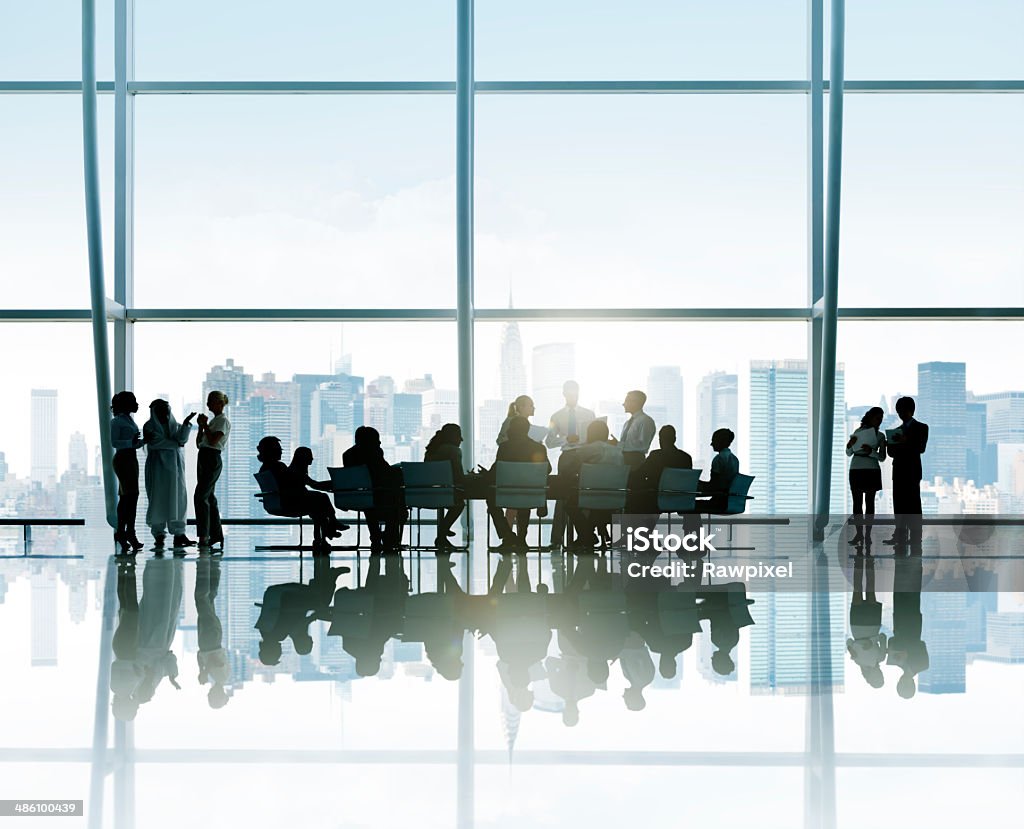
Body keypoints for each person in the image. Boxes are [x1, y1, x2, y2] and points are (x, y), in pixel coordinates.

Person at [256, 437, 347, 553]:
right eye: (278, 449)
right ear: (271, 451)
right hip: (289, 503)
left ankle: (325, 535)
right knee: (321, 499)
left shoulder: (266, 468)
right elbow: (296, 484)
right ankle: (328, 530)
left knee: (318, 506)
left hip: (281, 502)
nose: (281, 451)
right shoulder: (278, 467)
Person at [480, 416, 551, 551]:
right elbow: (548, 469)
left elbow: (496, 472)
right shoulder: (538, 447)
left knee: (491, 497)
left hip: (507, 495)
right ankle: (521, 538)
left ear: (511, 429)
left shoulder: (505, 447)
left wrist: (485, 474)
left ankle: (507, 535)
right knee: (525, 496)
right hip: (532, 494)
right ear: (527, 430)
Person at [545, 381, 596, 549]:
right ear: (564, 394)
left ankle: (585, 535)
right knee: (562, 495)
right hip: (567, 456)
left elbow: (595, 437)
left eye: (576, 392)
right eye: (570, 393)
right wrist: (566, 439)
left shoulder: (589, 414)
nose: (573, 396)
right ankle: (557, 539)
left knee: (585, 493)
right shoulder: (556, 416)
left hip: (585, 456)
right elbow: (550, 442)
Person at [560, 420, 624, 552]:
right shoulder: (618, 451)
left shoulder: (586, 450)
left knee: (570, 504)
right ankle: (586, 535)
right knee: (597, 507)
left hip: (590, 495)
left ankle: (587, 535)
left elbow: (570, 470)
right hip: (615, 497)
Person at [143, 399, 196, 549]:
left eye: (166, 409)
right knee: (158, 500)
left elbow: (182, 439)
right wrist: (176, 444)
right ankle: (158, 534)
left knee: (178, 499)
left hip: (176, 469)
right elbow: (157, 443)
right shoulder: (149, 426)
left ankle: (179, 533)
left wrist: (185, 424)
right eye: (161, 410)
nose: (164, 413)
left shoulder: (175, 425)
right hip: (157, 468)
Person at [342, 426, 404, 552]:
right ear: (370, 441)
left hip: (359, 496)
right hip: (379, 495)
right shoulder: (374, 452)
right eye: (377, 439)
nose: (379, 442)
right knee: (395, 501)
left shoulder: (347, 455)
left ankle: (376, 538)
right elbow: (382, 471)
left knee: (369, 503)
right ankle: (389, 537)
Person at [884, 397, 928, 546]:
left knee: (913, 504)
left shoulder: (922, 427)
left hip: (912, 471)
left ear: (911, 410)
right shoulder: (896, 431)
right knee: (899, 504)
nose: (900, 414)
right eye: (898, 412)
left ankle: (916, 536)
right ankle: (900, 535)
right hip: (898, 471)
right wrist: (889, 444)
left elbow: (921, 447)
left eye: (902, 411)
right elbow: (891, 453)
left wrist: (905, 441)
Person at [626, 424, 693, 515]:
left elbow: (640, 474)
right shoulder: (686, 458)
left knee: (632, 497)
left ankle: (638, 527)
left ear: (660, 440)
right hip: (680, 500)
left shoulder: (656, 456)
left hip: (656, 499)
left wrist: (626, 474)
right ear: (674, 439)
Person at [194, 390, 230, 551]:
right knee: (209, 497)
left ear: (220, 404)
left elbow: (214, 441)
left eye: (211, 401)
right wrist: (202, 426)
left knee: (200, 496)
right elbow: (199, 442)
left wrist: (205, 426)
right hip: (203, 456)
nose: (208, 404)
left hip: (212, 458)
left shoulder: (222, 421)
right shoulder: (214, 421)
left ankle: (204, 535)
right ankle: (216, 535)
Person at [110, 391, 145, 554]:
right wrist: (131, 442)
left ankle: (124, 533)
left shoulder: (128, 419)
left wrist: (142, 441)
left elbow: (133, 444)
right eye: (133, 401)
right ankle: (125, 533)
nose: (137, 404)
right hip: (123, 460)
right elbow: (114, 442)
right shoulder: (116, 421)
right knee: (128, 497)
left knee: (129, 497)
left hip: (131, 458)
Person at [846, 406, 887, 546]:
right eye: (877, 418)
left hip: (871, 470)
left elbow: (882, 457)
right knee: (857, 503)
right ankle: (859, 534)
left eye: (881, 419)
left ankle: (868, 535)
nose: (879, 421)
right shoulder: (858, 432)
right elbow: (849, 453)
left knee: (869, 504)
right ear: (870, 418)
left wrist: (870, 452)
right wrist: (849, 445)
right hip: (856, 469)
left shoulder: (881, 436)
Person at [424, 423, 468, 546]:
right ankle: (442, 533)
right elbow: (459, 477)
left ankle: (443, 532)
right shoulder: (454, 451)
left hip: (425, 494)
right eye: (459, 437)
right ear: (454, 437)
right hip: (444, 494)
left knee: (454, 500)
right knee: (459, 504)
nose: (461, 440)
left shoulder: (431, 451)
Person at [610, 389, 656, 467]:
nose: (623, 404)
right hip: (623, 460)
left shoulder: (646, 421)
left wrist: (618, 444)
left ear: (635, 402)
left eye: (626, 400)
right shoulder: (627, 423)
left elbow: (643, 445)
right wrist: (616, 444)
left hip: (635, 463)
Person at [699, 428, 739, 511]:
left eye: (713, 440)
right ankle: (694, 524)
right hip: (731, 502)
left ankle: (693, 524)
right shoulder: (735, 459)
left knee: (689, 505)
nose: (711, 444)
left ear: (720, 441)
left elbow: (714, 486)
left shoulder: (718, 459)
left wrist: (698, 483)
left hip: (719, 503)